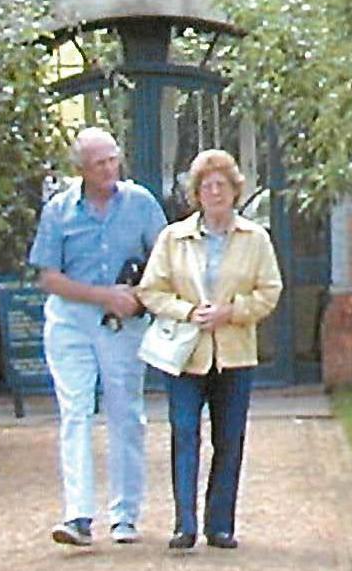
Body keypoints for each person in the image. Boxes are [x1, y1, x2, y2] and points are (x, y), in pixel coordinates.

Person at [136, 148, 283, 551]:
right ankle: (184, 523)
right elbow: (151, 290)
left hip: (234, 353)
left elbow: (270, 291)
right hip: (185, 354)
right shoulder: (173, 237)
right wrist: (187, 311)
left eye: (221, 185)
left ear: (235, 191)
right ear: (196, 193)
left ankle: (220, 525)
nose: (214, 192)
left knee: (229, 439)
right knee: (184, 433)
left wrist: (233, 312)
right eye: (206, 185)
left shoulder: (255, 239)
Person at [29, 127, 167, 547]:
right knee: (74, 412)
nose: (109, 169)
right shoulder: (59, 211)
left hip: (123, 324)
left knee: (126, 413)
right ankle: (78, 515)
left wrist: (138, 297)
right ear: (81, 169)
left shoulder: (141, 203)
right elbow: (48, 277)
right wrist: (101, 295)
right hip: (71, 319)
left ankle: (125, 515)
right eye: (99, 163)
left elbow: (165, 259)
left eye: (113, 159)